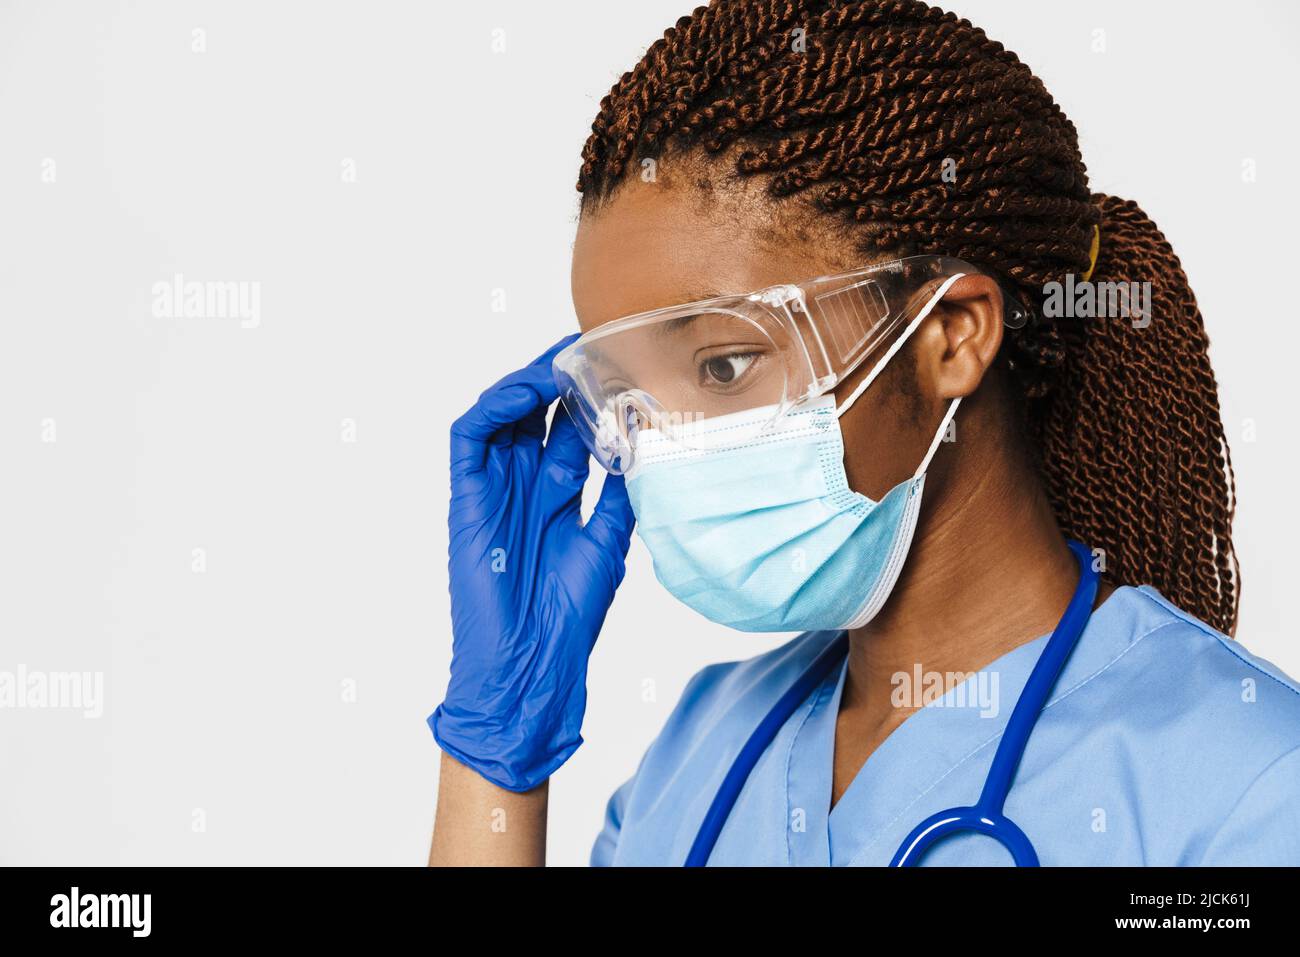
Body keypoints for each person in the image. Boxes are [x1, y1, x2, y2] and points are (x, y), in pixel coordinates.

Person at [427, 0, 1300, 866]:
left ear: (952, 335)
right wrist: (495, 756)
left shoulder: (1250, 782)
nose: (668, 443)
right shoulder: (698, 756)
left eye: (723, 366)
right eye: (626, 396)